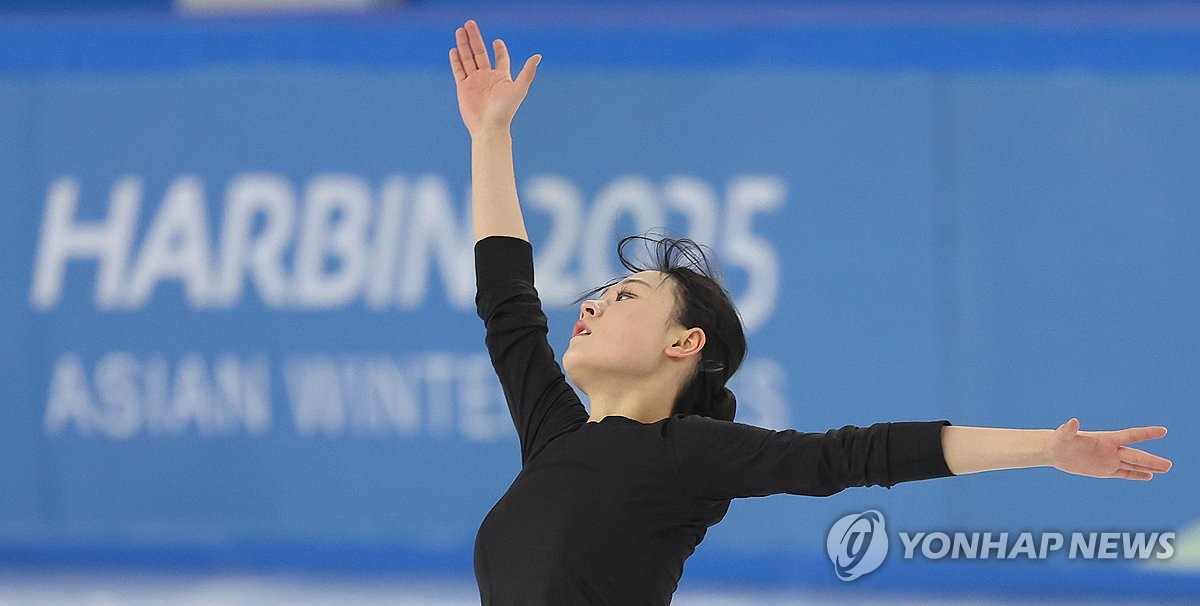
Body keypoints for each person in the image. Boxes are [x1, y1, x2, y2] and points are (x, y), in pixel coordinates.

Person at [448, 19, 1174, 605]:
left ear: (684, 342)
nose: (592, 306)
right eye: (598, 297)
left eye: (624, 296)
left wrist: (1048, 448)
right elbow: (508, 302)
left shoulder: (685, 456)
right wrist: (491, 135)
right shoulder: (552, 435)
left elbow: (857, 456)